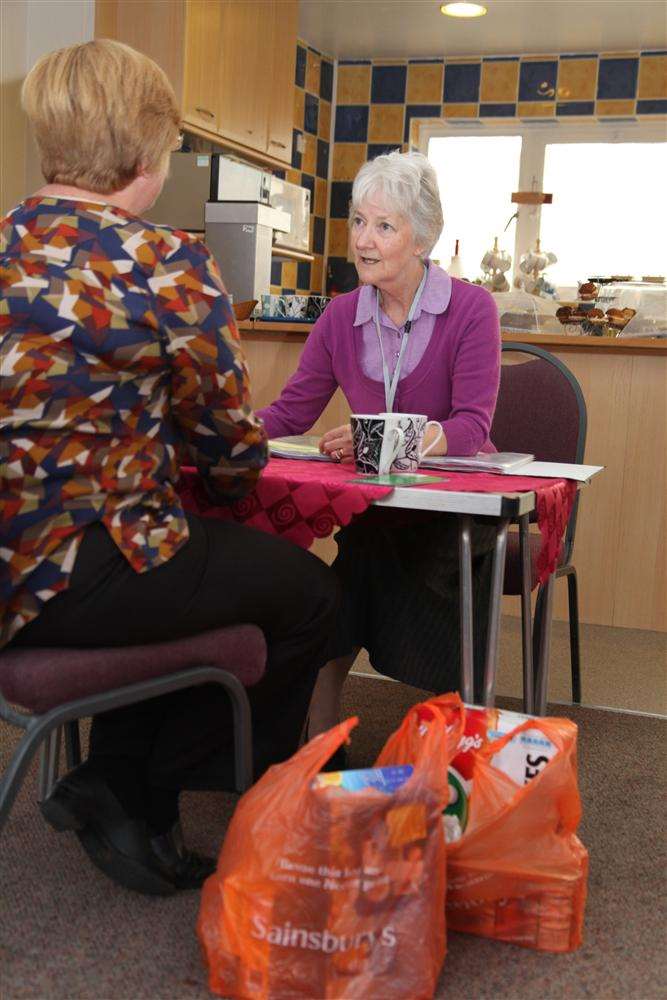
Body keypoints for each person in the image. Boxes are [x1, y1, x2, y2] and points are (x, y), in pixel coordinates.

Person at [0, 40, 338, 896]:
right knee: (307, 597)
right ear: (148, 152)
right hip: (82, 575)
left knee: (175, 566)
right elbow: (226, 451)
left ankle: (119, 785)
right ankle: (141, 784)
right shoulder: (165, 262)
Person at [258, 151, 500, 752]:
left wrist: (386, 439)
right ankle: (325, 736)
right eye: (359, 222)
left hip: (455, 509)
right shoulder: (340, 317)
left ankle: (426, 736)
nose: (364, 241)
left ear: (423, 239)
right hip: (377, 507)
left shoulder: (472, 310)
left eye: (384, 226)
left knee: (356, 567)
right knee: (355, 557)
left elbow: (471, 426)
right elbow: (290, 414)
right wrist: (219, 429)